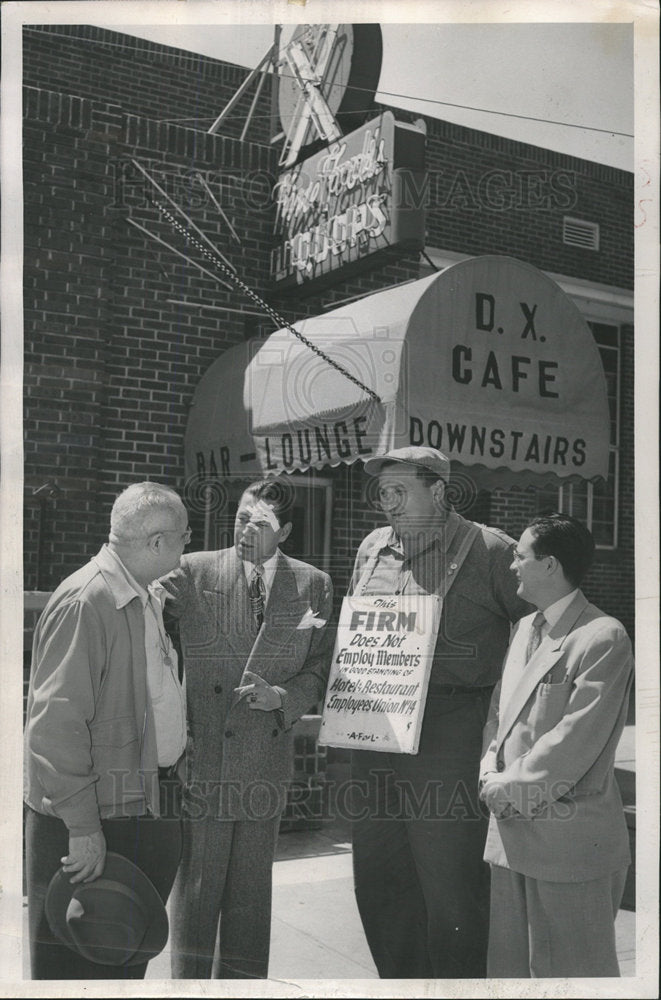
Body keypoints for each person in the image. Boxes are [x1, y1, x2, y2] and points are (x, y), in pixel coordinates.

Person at [347, 446, 529, 979]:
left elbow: (542, 631)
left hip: (451, 731)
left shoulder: (492, 551)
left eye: (400, 491)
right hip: (376, 730)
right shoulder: (372, 548)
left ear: (441, 491)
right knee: (379, 877)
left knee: (450, 885)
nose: (388, 504)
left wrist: (503, 724)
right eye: (382, 493)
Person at [161, 478, 334, 979]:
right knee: (196, 901)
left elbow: (319, 668)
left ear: (286, 533)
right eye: (241, 518)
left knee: (250, 905)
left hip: (265, 761)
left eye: (260, 524)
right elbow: (155, 624)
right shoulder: (192, 571)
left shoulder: (312, 584)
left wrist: (282, 698)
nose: (245, 530)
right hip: (206, 762)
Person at [24, 482, 190, 979]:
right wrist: (82, 828)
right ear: (157, 543)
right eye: (184, 537)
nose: (188, 546)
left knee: (118, 967)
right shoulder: (87, 600)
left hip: (136, 806)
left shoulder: (142, 594)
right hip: (96, 819)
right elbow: (53, 728)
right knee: (78, 972)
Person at [479, 513, 633, 978]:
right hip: (508, 835)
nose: (512, 566)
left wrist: (505, 790)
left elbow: (575, 740)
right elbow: (498, 716)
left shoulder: (603, 636)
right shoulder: (524, 628)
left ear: (548, 565)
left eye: (519, 556)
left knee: (573, 975)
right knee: (509, 973)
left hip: (567, 841)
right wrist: (488, 768)